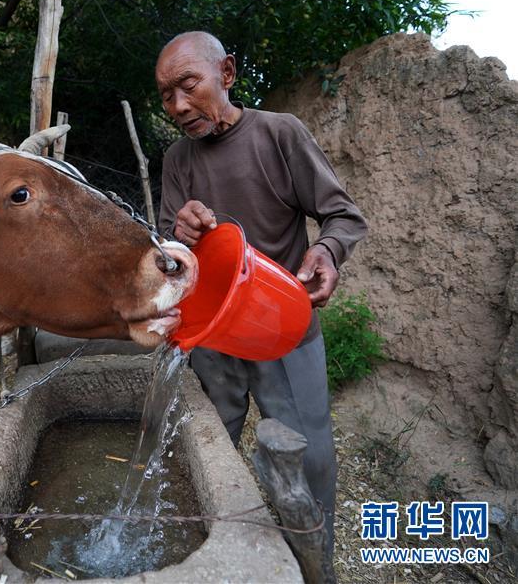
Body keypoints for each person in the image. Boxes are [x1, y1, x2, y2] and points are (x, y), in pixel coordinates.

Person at [156, 31, 368, 553]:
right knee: (209, 440)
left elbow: (342, 214)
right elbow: (165, 253)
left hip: (283, 327)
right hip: (213, 333)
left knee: (310, 453)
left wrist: (328, 251)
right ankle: (212, 547)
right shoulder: (177, 161)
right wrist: (179, 234)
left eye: (188, 85)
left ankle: (314, 553)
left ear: (226, 74)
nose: (179, 105)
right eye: (166, 95)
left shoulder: (279, 134)